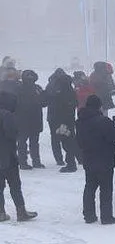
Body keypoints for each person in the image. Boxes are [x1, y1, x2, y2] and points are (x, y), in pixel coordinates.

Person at [76, 95, 115, 225]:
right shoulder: (103, 121)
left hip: (88, 157)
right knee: (106, 189)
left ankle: (89, 215)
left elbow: (79, 141)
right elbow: (114, 137)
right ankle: (106, 216)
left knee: (90, 187)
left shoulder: (80, 121)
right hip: (104, 158)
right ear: (98, 106)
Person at [0, 91, 37, 222]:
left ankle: (1, 212)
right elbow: (11, 133)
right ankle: (21, 212)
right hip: (7, 156)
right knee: (15, 185)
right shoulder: (6, 115)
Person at [46, 70, 79, 172]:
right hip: (69, 120)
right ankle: (74, 160)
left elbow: (54, 105)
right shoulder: (71, 91)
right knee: (70, 140)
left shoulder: (58, 92)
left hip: (60, 121)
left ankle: (70, 163)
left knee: (65, 141)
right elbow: (75, 103)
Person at [16, 70, 47, 169]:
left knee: (29, 142)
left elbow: (44, 102)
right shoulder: (21, 88)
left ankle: (30, 162)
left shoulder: (35, 88)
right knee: (25, 142)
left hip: (30, 119)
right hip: (26, 119)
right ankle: (26, 162)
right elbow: (44, 102)